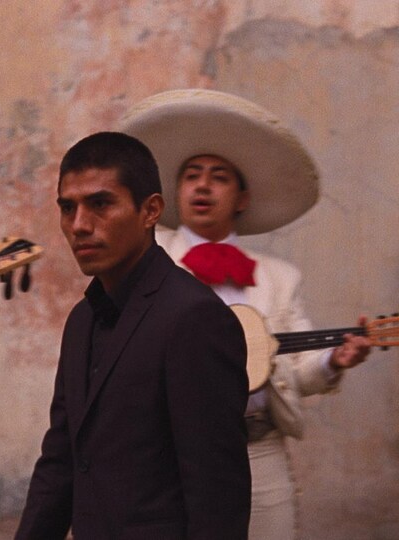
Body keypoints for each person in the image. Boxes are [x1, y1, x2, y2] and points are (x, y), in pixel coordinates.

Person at [118, 88, 372, 539]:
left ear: (240, 197)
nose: (202, 185)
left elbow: (299, 372)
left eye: (219, 177)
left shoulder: (279, 277)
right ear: (176, 191)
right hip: (168, 456)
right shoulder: (144, 265)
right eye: (192, 175)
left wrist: (334, 361)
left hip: (258, 453)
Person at [15, 131, 251, 539]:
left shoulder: (194, 317)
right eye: (67, 208)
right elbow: (60, 462)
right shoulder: (82, 320)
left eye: (101, 204)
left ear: (150, 211)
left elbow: (217, 492)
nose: (79, 225)